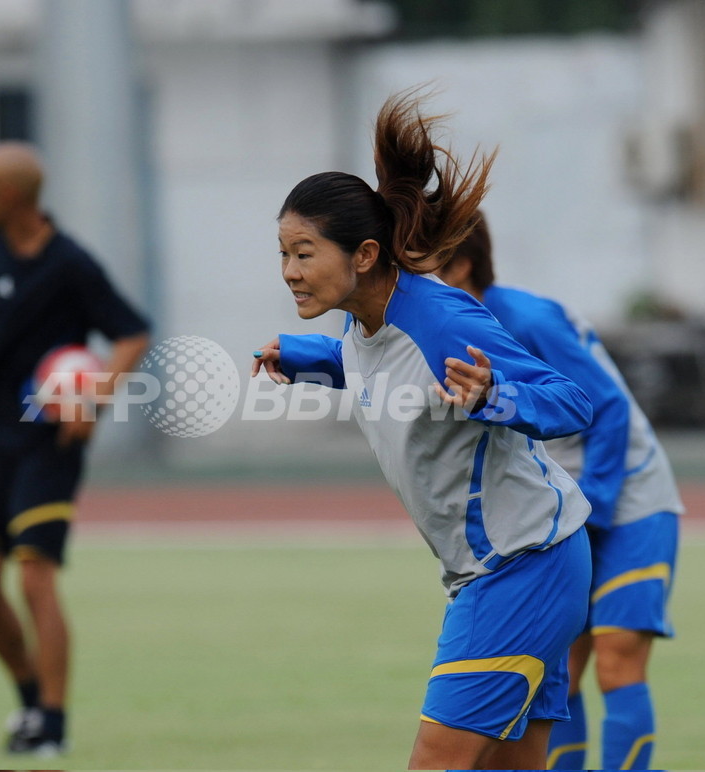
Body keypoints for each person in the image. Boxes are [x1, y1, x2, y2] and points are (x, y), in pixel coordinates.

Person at [250, 89, 596, 770]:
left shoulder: (442, 321)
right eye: (284, 253)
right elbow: (382, 369)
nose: (289, 272)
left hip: (520, 565)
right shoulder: (363, 318)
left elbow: (571, 400)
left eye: (304, 253)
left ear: (367, 254)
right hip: (514, 564)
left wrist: (497, 394)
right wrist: (304, 357)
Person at [0, 141, 150, 756]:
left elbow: (133, 332)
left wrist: (97, 395)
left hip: (48, 440)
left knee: (34, 577)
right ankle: (27, 698)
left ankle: (52, 723)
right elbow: (0, 307)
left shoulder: (71, 263)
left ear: (13, 196)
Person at [435, 212, 683, 770]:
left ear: (461, 264)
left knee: (618, 659)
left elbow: (608, 407)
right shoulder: (444, 329)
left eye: (422, 261)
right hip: (566, 512)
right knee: (558, 674)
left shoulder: (527, 317)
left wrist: (595, 502)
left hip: (630, 500)